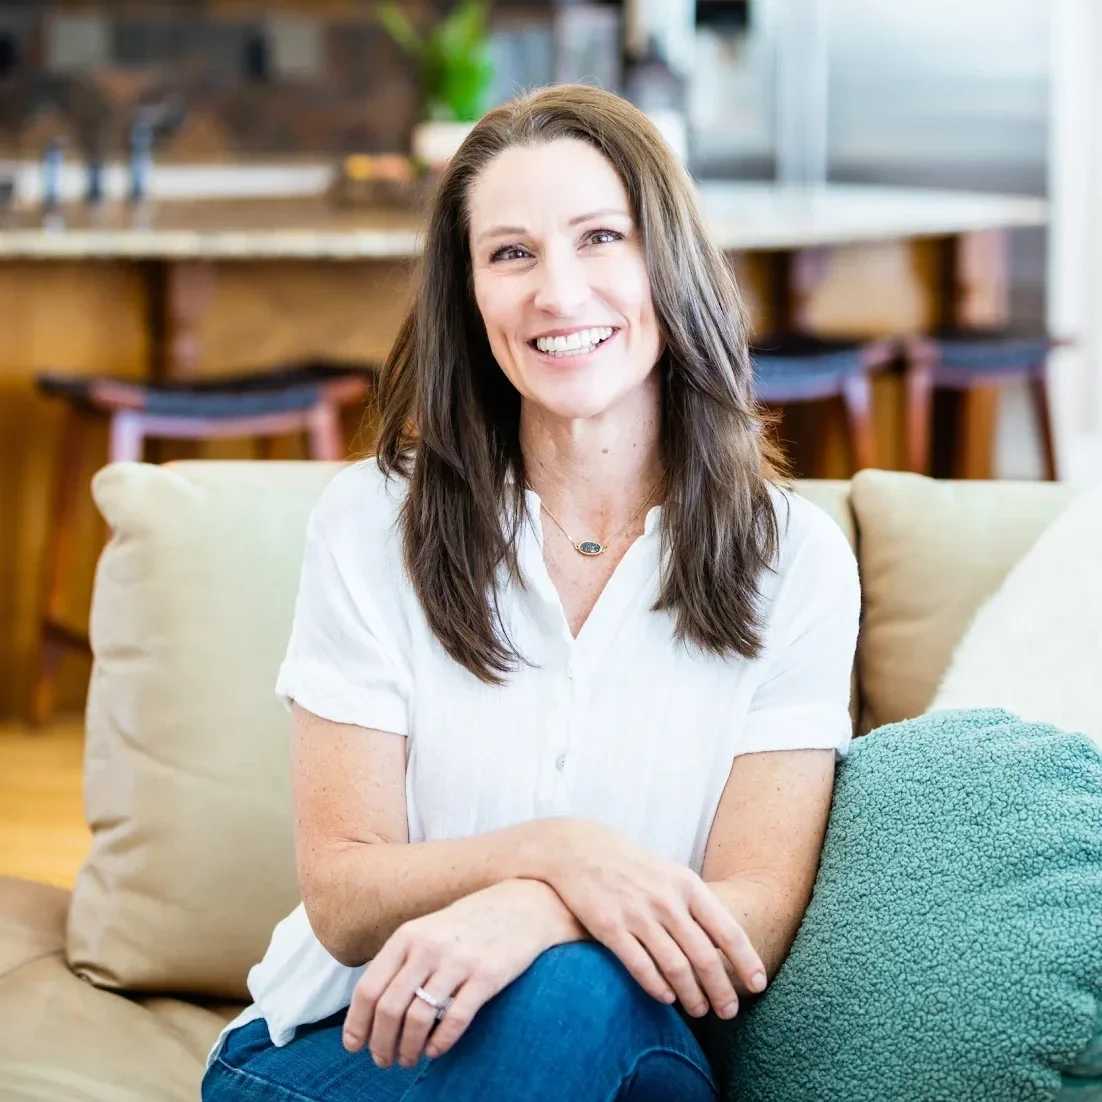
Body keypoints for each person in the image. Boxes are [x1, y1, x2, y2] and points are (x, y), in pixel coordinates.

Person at [201, 83, 860, 1102]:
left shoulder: (796, 561)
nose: (558, 292)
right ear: (468, 293)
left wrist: (543, 911)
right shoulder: (371, 524)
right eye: (511, 253)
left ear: (668, 262)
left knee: (576, 996)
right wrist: (559, 854)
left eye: (601, 237)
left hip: (633, 1046)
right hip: (352, 1046)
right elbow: (342, 890)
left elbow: (754, 908)